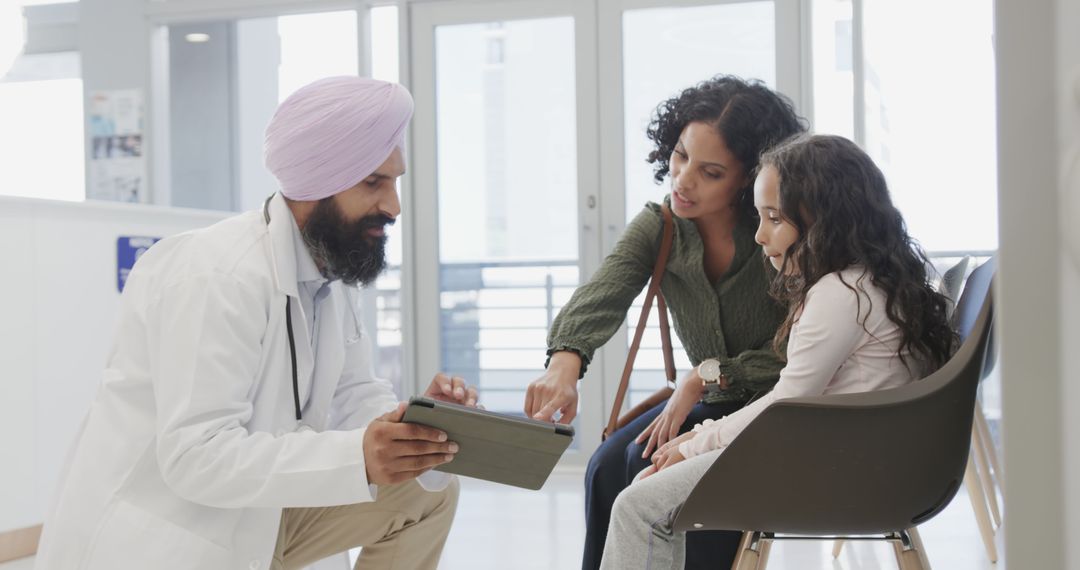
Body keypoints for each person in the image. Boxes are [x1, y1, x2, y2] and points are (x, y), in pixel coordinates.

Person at [36, 77, 478, 570]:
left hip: (256, 522)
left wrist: (416, 429)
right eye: (374, 183)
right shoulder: (218, 275)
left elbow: (355, 397)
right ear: (319, 182)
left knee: (424, 495)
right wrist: (359, 455)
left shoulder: (328, 276)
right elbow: (194, 458)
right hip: (164, 536)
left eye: (395, 182)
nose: (393, 207)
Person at [599, 134, 958, 570]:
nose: (759, 235)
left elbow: (785, 403)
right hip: (864, 460)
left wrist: (697, 444)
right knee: (646, 490)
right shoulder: (877, 281)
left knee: (637, 505)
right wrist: (701, 435)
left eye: (773, 218)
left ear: (824, 221)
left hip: (828, 469)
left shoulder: (839, 293)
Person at [522, 75, 807, 569]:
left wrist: (708, 376)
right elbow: (600, 295)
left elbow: (801, 352)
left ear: (750, 177)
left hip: (774, 408)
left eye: (711, 171)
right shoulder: (661, 226)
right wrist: (562, 369)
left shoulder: (779, 232)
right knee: (605, 466)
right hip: (703, 402)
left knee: (648, 463)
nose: (682, 180)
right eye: (680, 156)